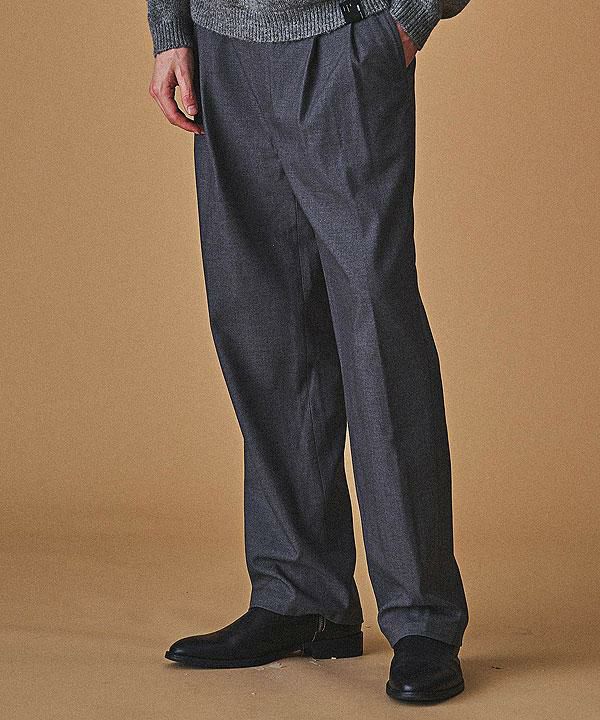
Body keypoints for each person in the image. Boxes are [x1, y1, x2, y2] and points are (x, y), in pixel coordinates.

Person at [146, 0, 471, 704]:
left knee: (377, 332)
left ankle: (422, 616)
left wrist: (412, 18)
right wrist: (170, 30)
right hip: (221, 51)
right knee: (260, 326)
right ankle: (300, 594)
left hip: (342, 43)